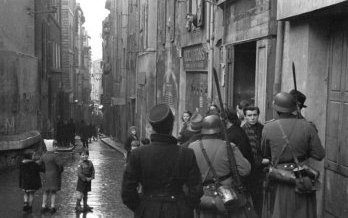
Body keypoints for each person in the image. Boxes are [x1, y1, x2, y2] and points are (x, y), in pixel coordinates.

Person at [121, 104, 203, 218]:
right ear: (172, 126)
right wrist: (185, 207)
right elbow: (196, 189)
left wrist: (142, 207)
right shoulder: (186, 154)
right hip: (178, 210)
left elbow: (127, 191)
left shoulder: (138, 154)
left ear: (152, 127)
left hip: (147, 210)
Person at [261, 92, 325, 218]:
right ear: (295, 108)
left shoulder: (268, 128)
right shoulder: (308, 126)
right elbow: (319, 154)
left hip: (279, 177)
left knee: (278, 212)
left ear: (276, 109)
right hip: (302, 178)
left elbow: (265, 152)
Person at [188, 114, 251, 217]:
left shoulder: (192, 146)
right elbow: (245, 170)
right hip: (226, 196)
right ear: (221, 129)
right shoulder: (229, 146)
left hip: (202, 196)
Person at [241, 106, 264, 217]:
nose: (252, 118)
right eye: (249, 115)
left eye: (255, 115)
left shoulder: (263, 128)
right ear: (245, 117)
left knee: (258, 197)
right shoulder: (242, 130)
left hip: (260, 169)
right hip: (247, 168)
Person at [39, 140, 64, 214]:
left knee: (46, 191)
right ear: (51, 147)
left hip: (46, 175)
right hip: (54, 175)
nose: (57, 147)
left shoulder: (44, 155)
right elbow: (60, 165)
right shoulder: (55, 156)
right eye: (55, 146)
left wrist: (44, 170)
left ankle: (43, 206)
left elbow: (40, 163)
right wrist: (60, 170)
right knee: (53, 191)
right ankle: (52, 206)